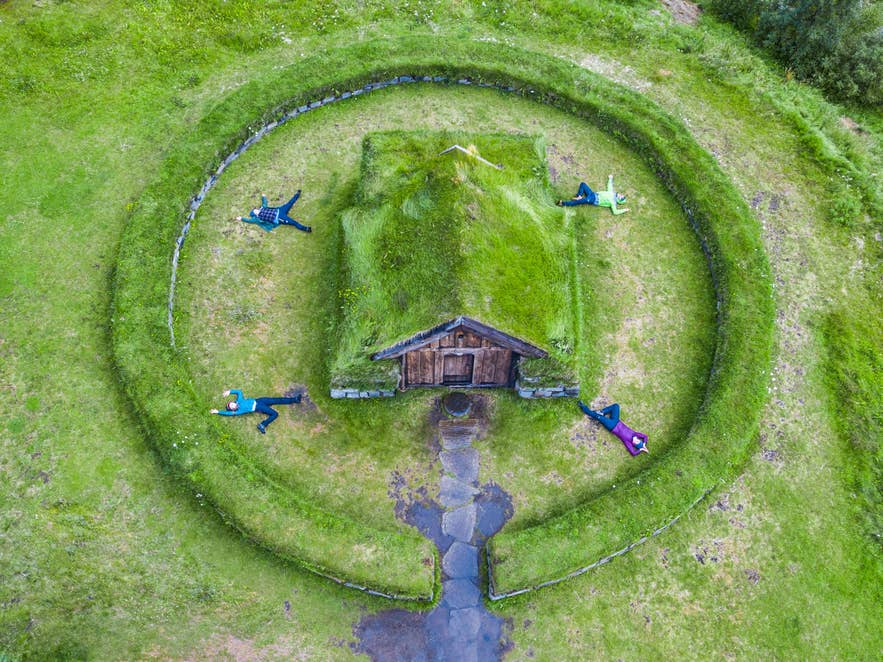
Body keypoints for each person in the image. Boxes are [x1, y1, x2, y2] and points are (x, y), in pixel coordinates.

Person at [210, 389, 302, 434]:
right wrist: (218, 411)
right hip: (258, 407)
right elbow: (228, 413)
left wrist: (229, 391)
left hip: (259, 400)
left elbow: (239, 392)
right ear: (233, 409)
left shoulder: (239, 401)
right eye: (231, 406)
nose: (233, 404)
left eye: (231, 403)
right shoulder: (239, 411)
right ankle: (262, 425)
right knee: (275, 414)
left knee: (276, 400)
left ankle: (295, 399)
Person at [578, 401, 648, 456]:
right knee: (616, 406)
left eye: (636, 443)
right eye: (639, 441)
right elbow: (645, 436)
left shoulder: (627, 442)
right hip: (616, 420)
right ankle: (602, 412)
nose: (636, 440)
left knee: (597, 416)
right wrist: (644, 443)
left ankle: (583, 407)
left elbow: (633, 453)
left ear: (634, 444)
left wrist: (641, 449)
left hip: (611, 426)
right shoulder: (635, 434)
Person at [237, 190, 311, 232]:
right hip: (278, 218)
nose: (256, 210)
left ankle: (297, 194)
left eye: (255, 209)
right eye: (254, 211)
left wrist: (263, 196)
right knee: (293, 222)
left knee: (289, 203)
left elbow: (264, 202)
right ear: (255, 214)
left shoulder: (262, 208)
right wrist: (241, 219)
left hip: (280, 210)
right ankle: (305, 228)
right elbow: (250, 221)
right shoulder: (257, 218)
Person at [557, 175, 629, 215]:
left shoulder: (613, 202)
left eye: (621, 197)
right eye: (622, 195)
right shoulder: (612, 193)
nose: (620, 195)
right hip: (593, 194)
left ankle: (562, 203)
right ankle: (579, 196)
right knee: (583, 184)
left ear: (619, 200)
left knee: (577, 202)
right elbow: (609, 186)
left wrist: (625, 210)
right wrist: (610, 178)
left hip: (593, 199)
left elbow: (615, 212)